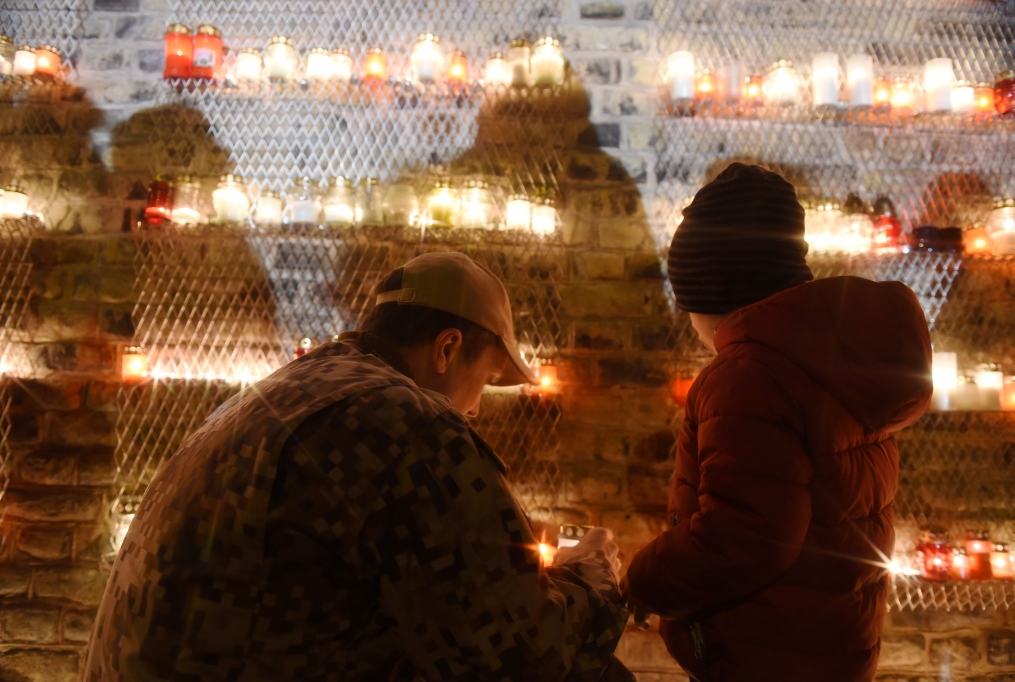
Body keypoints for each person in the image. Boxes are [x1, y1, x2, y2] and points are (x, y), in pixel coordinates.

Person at [85, 252, 632, 682]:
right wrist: (592, 570)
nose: (474, 409)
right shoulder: (409, 423)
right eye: (486, 381)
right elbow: (520, 659)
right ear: (447, 348)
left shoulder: (289, 389)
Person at [624, 164, 933, 681]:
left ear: (713, 292)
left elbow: (742, 536)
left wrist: (642, 580)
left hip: (763, 653)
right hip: (828, 642)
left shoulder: (748, 375)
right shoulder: (831, 363)